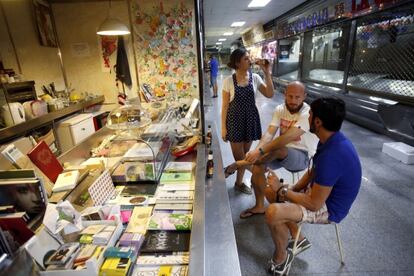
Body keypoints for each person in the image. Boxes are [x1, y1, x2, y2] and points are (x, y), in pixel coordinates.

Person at [264, 97, 362, 275]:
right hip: (319, 193)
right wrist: (290, 189)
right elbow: (313, 171)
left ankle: (281, 257)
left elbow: (314, 204)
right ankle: (298, 237)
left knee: (273, 212)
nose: (307, 117)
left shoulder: (333, 155)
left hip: (329, 208)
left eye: (309, 114)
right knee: (269, 191)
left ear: (318, 122)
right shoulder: (331, 139)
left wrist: (282, 190)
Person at [225, 81, 317, 214]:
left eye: (297, 97)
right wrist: (256, 151)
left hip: (303, 157)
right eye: (290, 96)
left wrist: (260, 151)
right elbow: (269, 133)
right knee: (258, 166)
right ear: (285, 94)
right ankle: (260, 206)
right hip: (280, 153)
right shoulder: (280, 109)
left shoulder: (307, 113)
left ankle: (238, 164)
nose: (293, 101)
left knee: (278, 149)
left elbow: (286, 138)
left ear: (304, 96)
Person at [222, 48, 274, 194]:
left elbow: (270, 94)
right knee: (240, 157)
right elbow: (225, 106)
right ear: (237, 63)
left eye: (248, 58)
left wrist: (267, 72)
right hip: (234, 120)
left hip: (250, 118)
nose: (249, 60)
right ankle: (260, 173)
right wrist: (223, 128)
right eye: (246, 59)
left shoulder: (255, 78)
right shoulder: (228, 81)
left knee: (246, 155)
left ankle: (238, 182)